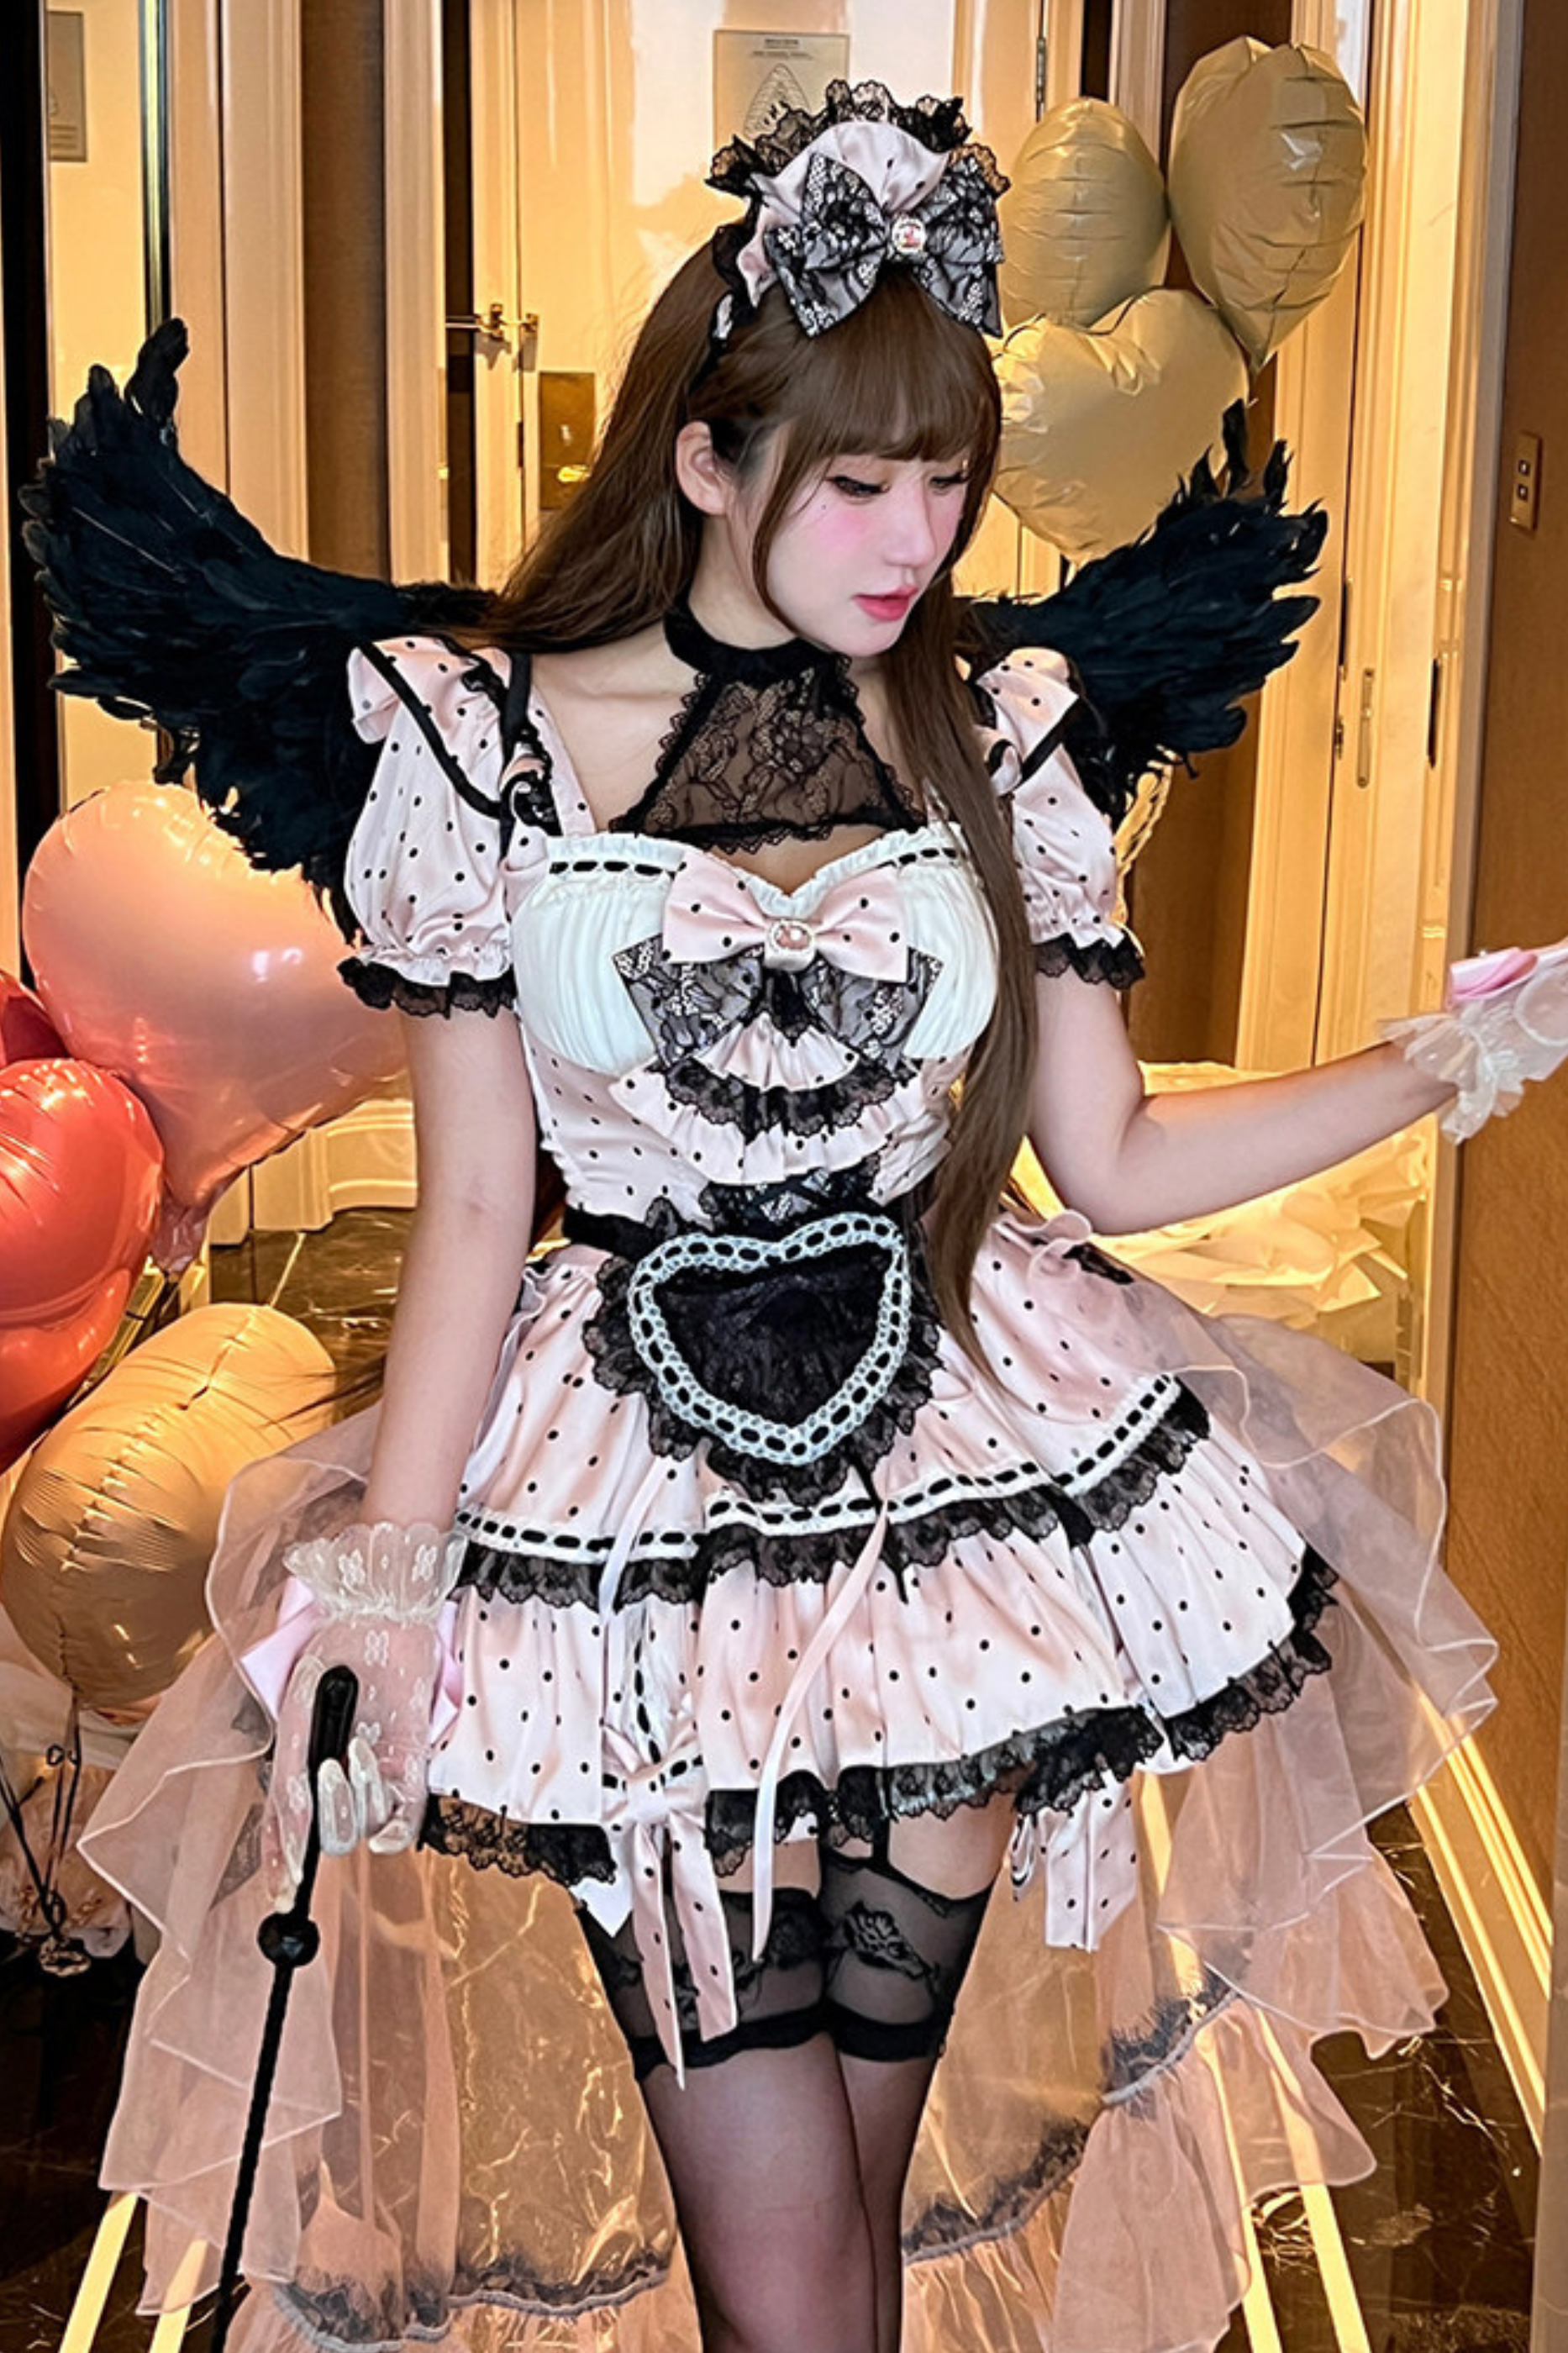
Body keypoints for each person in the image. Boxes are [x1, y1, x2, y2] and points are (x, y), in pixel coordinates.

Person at [37, 74, 1568, 2353]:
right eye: (858, 482)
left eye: (948, 479)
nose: (915, 536)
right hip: (625, 1531)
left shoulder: (999, 730)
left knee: (843, 2209)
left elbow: (1115, 1160)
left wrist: (1447, 1065)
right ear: (702, 459)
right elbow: (472, 1218)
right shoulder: (479, 744)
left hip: (960, 1515)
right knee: (782, 2269)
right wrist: (384, 1574)